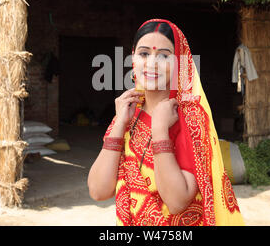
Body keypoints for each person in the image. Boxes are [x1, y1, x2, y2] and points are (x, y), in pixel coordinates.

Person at [88, 19, 244, 226]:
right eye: (144, 53)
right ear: (133, 57)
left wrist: (160, 130)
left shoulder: (189, 120)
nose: (152, 63)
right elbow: (98, 191)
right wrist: (118, 126)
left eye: (163, 56)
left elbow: (177, 201)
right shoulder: (127, 113)